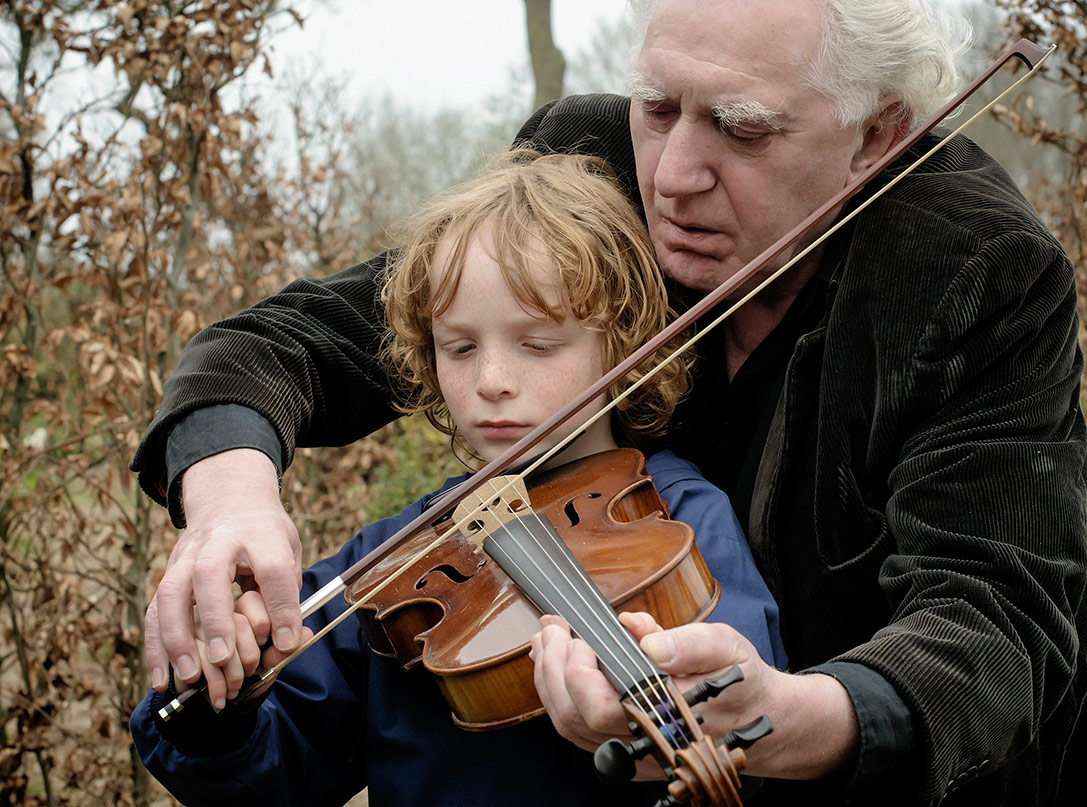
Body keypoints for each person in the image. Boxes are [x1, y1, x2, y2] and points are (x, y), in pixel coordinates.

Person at [134, 0, 1087, 804]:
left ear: (875, 135)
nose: (671, 174)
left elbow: (990, 620)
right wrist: (230, 500)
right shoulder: (588, 175)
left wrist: (791, 714)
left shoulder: (979, 268)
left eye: (741, 129)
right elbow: (294, 342)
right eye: (656, 106)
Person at [130, 150, 785, 806]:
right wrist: (227, 702)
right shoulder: (399, 565)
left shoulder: (679, 522)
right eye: (460, 346)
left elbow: (746, 717)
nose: (491, 381)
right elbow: (272, 774)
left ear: (619, 340)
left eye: (537, 343)